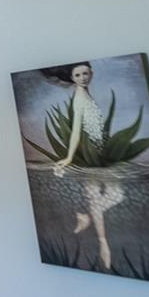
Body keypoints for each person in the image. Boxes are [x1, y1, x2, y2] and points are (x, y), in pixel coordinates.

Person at [49, 62, 127, 269]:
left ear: (91, 74)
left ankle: (87, 218)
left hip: (100, 153)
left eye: (85, 73)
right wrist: (69, 157)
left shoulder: (86, 96)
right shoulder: (79, 98)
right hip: (89, 154)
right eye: (78, 74)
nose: (82, 77)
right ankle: (103, 245)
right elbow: (75, 130)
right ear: (72, 78)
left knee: (115, 194)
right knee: (96, 196)